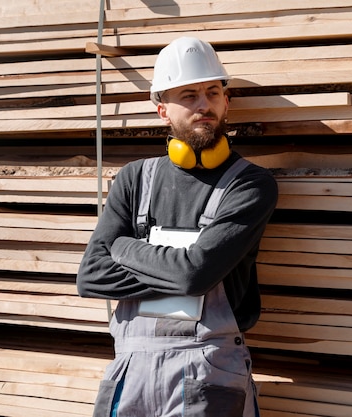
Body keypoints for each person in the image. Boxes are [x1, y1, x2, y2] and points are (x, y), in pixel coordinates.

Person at [76, 36, 278, 417]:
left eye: (213, 92)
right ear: (162, 111)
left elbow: (194, 276)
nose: (204, 105)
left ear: (226, 101)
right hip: (130, 368)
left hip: (208, 369)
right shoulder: (135, 179)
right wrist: (184, 266)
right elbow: (91, 277)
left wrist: (123, 248)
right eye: (188, 95)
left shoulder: (250, 184)